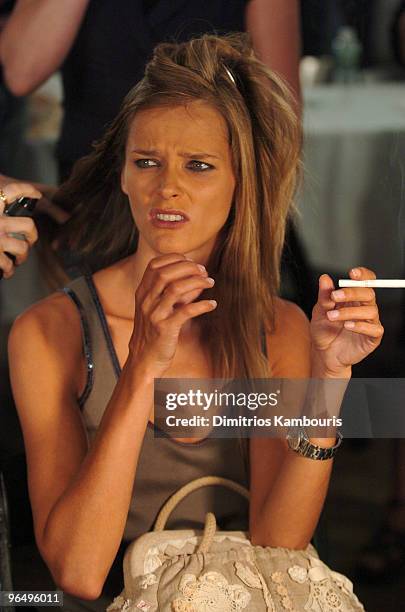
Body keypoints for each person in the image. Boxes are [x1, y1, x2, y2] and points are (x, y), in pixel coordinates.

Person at [7, 34, 383, 609]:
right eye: (147, 162)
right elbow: (77, 573)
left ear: (241, 183)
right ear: (124, 175)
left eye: (200, 165)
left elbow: (281, 541)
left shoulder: (277, 327)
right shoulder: (48, 332)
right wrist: (142, 366)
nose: (167, 187)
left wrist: (329, 380)